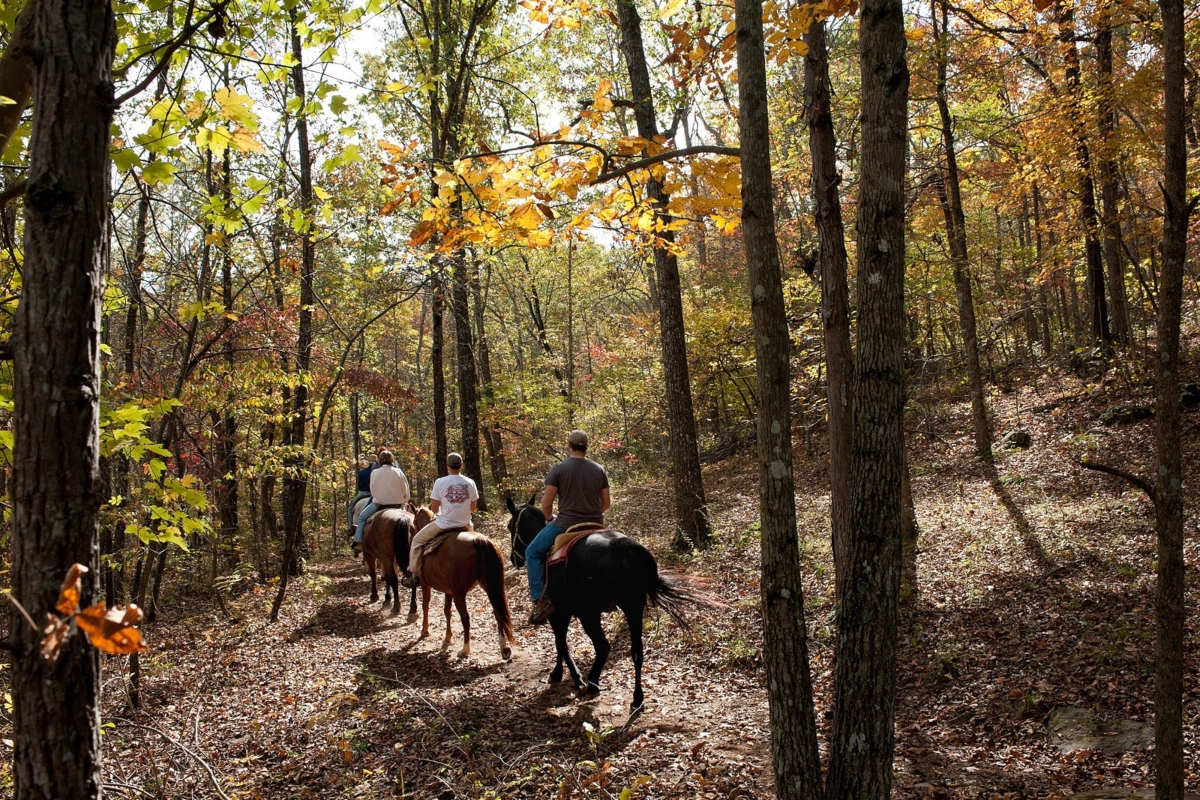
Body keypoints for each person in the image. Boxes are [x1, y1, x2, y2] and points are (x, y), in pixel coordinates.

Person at [524, 429, 610, 625]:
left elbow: (546, 503)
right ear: (586, 447)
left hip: (565, 524)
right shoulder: (599, 469)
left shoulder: (559, 468)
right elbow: (606, 504)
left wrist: (548, 519)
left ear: (569, 446)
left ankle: (540, 600)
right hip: (596, 524)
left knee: (532, 552)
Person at [400, 452, 478, 587]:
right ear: (462, 465)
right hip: (465, 524)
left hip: (444, 524)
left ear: (447, 466)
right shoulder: (470, 482)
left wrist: (446, 510)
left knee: (417, 541)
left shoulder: (440, 482)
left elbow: (435, 510)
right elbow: (472, 508)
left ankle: (414, 574)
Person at [352, 449, 410, 555]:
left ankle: (358, 542)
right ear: (392, 460)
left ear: (380, 461)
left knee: (362, 517)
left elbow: (373, 490)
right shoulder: (398, 472)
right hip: (398, 504)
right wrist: (404, 500)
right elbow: (406, 490)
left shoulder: (375, 472)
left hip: (379, 504)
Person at [347, 453, 375, 538]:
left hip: (362, 493)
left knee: (350, 508)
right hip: (373, 494)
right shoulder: (377, 472)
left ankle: (350, 528)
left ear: (368, 462)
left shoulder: (362, 472)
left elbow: (359, 485)